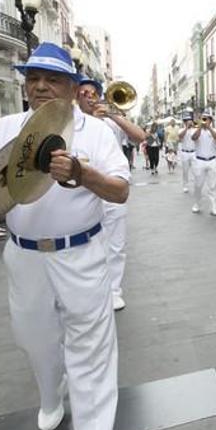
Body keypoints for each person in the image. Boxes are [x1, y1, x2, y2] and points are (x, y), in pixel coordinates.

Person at [0, 43, 130, 430]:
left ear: (72, 88)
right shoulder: (3, 129)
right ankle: (51, 394)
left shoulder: (97, 132)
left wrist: (81, 173)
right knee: (33, 338)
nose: (40, 87)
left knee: (91, 346)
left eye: (52, 79)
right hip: (25, 257)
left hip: (82, 253)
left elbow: (120, 191)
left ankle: (95, 429)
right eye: (33, 79)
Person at [77, 78, 147, 312]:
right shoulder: (74, 122)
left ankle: (114, 290)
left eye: (93, 92)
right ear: (76, 96)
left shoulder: (112, 122)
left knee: (115, 245)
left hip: (112, 189)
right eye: (84, 92)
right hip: (82, 192)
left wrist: (112, 115)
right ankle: (92, 288)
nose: (89, 96)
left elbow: (140, 137)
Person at [191, 110, 216, 216]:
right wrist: (200, 126)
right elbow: (194, 137)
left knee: (212, 186)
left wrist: (209, 128)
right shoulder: (196, 130)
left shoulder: (215, 130)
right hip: (199, 161)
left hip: (212, 160)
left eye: (206, 119)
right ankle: (197, 203)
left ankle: (214, 207)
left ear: (211, 120)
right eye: (203, 118)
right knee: (198, 185)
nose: (204, 121)